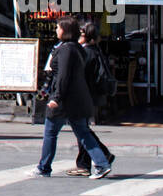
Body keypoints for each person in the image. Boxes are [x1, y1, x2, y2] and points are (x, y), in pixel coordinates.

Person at [35, 16, 112, 179]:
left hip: (65, 101)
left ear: (66, 30)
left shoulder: (67, 50)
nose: (56, 30)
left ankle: (44, 167)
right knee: (82, 132)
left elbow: (63, 77)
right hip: (76, 100)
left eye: (58, 27)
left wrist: (56, 97)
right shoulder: (76, 48)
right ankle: (101, 163)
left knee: (51, 132)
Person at [66, 20, 116, 176]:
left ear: (84, 35)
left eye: (79, 33)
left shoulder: (86, 52)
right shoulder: (94, 50)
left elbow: (81, 76)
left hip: (85, 96)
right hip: (91, 95)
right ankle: (85, 163)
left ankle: (99, 155)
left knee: (82, 129)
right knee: (82, 129)